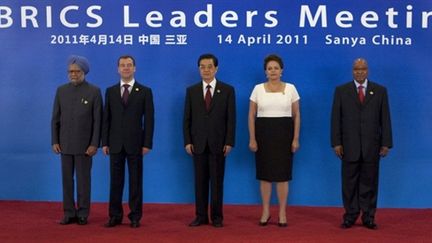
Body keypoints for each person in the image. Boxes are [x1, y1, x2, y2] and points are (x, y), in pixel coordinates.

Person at [331, 58, 393, 230]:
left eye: (363, 68)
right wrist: (336, 142)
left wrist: (386, 143)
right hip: (348, 146)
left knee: (370, 182)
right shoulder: (341, 91)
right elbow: (335, 119)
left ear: (368, 70)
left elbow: (385, 119)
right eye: (356, 69)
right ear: (352, 71)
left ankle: (368, 216)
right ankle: (350, 215)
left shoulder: (379, 91)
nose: (359, 71)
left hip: (371, 146)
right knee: (349, 183)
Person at [183, 53, 236, 228]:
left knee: (217, 182)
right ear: (199, 69)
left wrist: (229, 141)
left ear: (216, 69)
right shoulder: (191, 91)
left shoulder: (227, 90)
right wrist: (187, 141)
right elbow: (187, 119)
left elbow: (231, 119)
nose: (206, 70)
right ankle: (200, 216)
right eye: (202, 67)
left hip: (219, 144)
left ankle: (217, 217)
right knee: (200, 182)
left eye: (209, 66)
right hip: (197, 144)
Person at [102, 55, 154, 228]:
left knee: (135, 182)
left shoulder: (145, 91)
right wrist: (105, 142)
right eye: (122, 65)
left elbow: (149, 120)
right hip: (115, 143)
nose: (126, 68)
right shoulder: (110, 91)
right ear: (118, 69)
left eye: (129, 65)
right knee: (115, 182)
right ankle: (115, 216)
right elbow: (106, 119)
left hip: (136, 144)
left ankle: (135, 216)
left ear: (135, 68)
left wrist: (147, 143)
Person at [248, 54, 300, 227]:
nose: (273, 71)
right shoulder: (257, 89)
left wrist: (295, 139)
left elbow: (296, 115)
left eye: (276, 68)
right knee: (265, 176)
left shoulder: (291, 88)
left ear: (282, 70)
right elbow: (251, 115)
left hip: (284, 135)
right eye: (270, 68)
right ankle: (265, 211)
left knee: (283, 176)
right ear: (265, 71)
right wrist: (253, 138)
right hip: (263, 135)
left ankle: (282, 212)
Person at [51, 55, 102, 225]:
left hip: (85, 146)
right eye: (70, 71)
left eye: (76, 71)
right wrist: (55, 140)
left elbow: (98, 120)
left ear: (84, 72)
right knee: (66, 181)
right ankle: (68, 212)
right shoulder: (61, 90)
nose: (73, 74)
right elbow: (55, 119)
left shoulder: (94, 91)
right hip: (64, 144)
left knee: (83, 181)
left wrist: (95, 143)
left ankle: (83, 213)